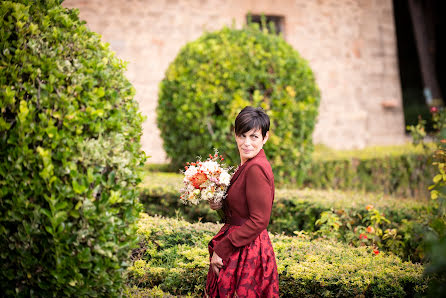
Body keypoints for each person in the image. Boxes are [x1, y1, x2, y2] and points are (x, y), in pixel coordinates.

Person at [205, 106, 279, 297]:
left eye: (254, 137)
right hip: (241, 245)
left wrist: (222, 249)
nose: (247, 143)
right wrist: (221, 205)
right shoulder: (247, 165)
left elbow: (259, 220)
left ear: (265, 138)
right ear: (235, 135)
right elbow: (240, 212)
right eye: (242, 135)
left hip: (247, 251)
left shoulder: (256, 168)